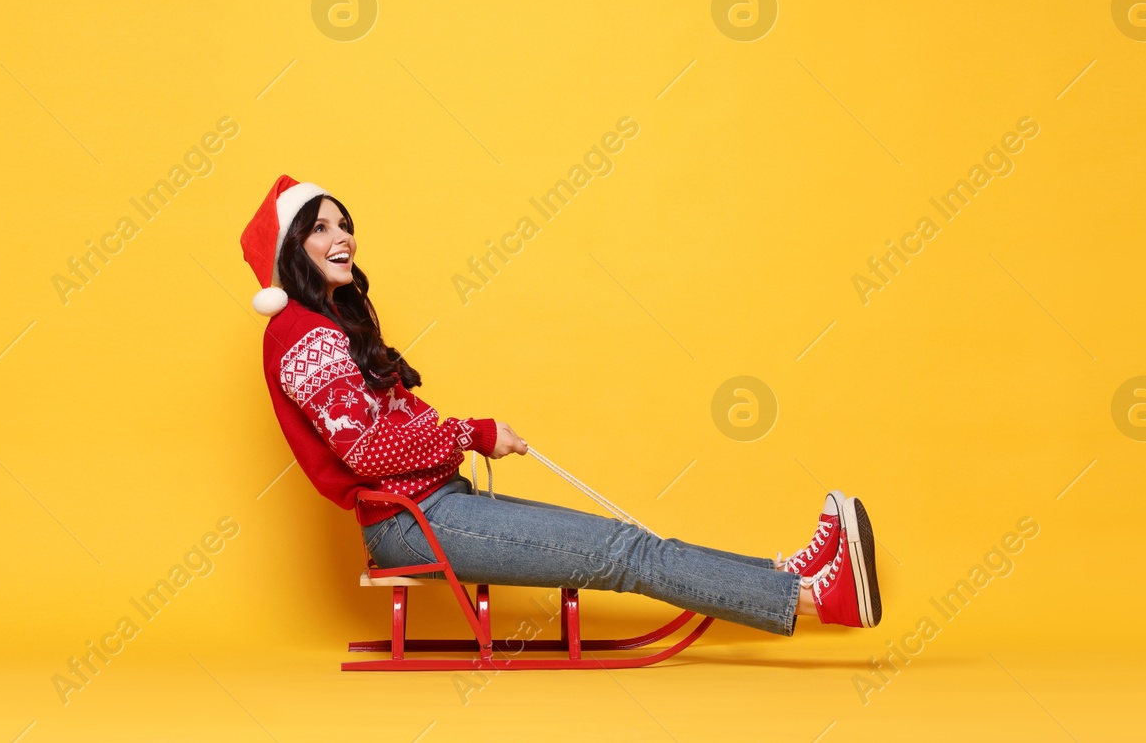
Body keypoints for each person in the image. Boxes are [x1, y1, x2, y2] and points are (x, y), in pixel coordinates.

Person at [240, 174, 881, 636]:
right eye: (319, 227)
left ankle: (784, 573)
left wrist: (464, 439)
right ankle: (816, 600)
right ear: (289, 252)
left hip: (437, 503)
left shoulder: (323, 325)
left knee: (628, 543)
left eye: (343, 222)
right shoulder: (301, 336)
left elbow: (389, 428)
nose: (342, 235)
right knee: (624, 554)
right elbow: (371, 451)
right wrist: (474, 431)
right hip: (412, 523)